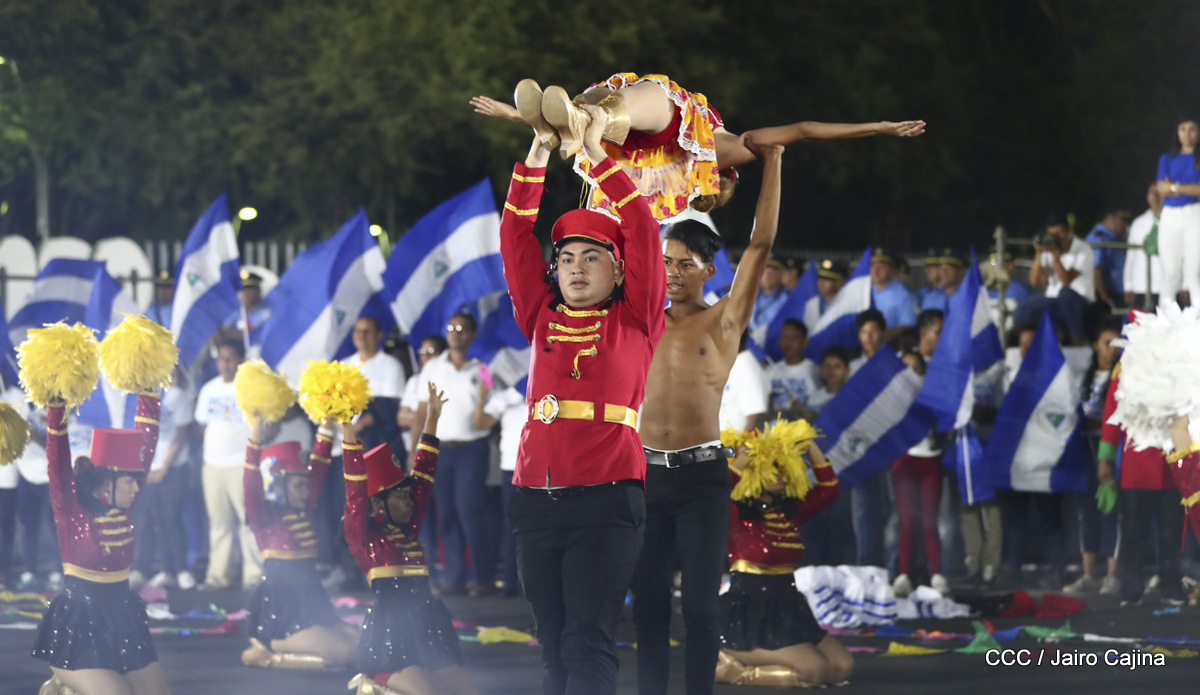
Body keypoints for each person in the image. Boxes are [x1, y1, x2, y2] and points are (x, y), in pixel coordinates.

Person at [500, 107, 664, 695]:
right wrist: (539, 150)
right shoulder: (540, 314)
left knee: (587, 641)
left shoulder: (636, 317)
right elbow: (514, 237)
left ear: (617, 272)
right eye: (566, 258)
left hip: (606, 499)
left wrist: (594, 153)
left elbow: (641, 229)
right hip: (534, 499)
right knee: (552, 648)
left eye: (591, 258)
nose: (574, 268)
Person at [634, 139, 782, 695]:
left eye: (684, 264)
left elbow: (762, 242)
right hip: (643, 476)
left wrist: (774, 161)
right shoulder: (639, 320)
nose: (672, 273)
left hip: (701, 479)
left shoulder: (724, 322)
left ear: (708, 269)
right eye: (665, 262)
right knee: (648, 606)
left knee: (699, 608)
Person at [472, 75, 923, 221]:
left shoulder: (725, 150)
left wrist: (878, 126)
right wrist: (519, 116)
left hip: (648, 128)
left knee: (634, 98)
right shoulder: (680, 173)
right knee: (610, 109)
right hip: (626, 142)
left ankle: (577, 118)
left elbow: (803, 129)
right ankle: (570, 122)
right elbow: (804, 132)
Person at [342, 383, 481, 695]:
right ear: (377, 503)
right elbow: (355, 492)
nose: (409, 500)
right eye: (400, 496)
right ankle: (375, 681)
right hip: (390, 644)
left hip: (428, 634)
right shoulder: (364, 537)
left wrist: (432, 419)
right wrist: (348, 431)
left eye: (407, 495)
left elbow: (424, 476)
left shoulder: (408, 529)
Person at [34, 390, 171, 695]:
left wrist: (149, 389)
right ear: (107, 483)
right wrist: (57, 406)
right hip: (77, 633)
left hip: (122, 624)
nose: (137, 487)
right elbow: (58, 461)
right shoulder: (70, 510)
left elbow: (147, 445)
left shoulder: (122, 506)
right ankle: (65, 682)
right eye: (130, 481)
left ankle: (69, 688)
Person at [715, 431, 851, 687]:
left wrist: (809, 445)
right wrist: (742, 459)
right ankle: (726, 668)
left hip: (788, 605)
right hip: (749, 611)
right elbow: (717, 489)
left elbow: (829, 490)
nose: (778, 473)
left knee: (840, 667)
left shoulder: (788, 511)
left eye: (782, 465)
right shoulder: (734, 512)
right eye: (769, 466)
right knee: (813, 671)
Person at [240, 415, 357, 670]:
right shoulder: (263, 517)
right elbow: (251, 478)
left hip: (312, 597)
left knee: (361, 644)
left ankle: (276, 648)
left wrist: (327, 421)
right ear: (278, 486)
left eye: (306, 486)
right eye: (299, 486)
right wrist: (257, 425)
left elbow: (320, 464)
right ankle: (269, 651)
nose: (306, 492)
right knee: (343, 653)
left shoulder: (303, 509)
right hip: (282, 609)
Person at [411, 313, 495, 597]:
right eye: (451, 328)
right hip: (440, 449)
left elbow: (491, 401)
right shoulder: (433, 367)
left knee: (469, 511)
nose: (456, 333)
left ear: (472, 334)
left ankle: (484, 577)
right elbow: (421, 409)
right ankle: (455, 577)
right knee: (445, 512)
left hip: (472, 448)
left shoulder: (483, 367)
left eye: (462, 328)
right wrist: (414, 448)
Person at [194, 339, 259, 589]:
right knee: (219, 523)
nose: (225, 363)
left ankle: (253, 575)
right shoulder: (209, 389)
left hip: (241, 464)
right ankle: (217, 576)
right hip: (212, 464)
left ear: (240, 361)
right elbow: (202, 424)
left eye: (231, 358)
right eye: (221, 358)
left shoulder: (250, 389)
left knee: (248, 521)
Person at [1062, 319, 1121, 594]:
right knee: (1086, 510)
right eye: (1107, 343)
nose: (1112, 349)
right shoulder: (1083, 378)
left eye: (1117, 344)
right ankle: (1088, 574)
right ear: (1095, 346)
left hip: (1109, 448)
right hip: (1084, 447)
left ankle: (1112, 574)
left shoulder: (1122, 378)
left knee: (1111, 509)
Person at [130, 366, 197, 591]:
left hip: (173, 469)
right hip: (150, 470)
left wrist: (164, 468)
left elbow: (181, 435)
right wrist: (145, 468)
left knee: (171, 518)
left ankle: (183, 570)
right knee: (155, 520)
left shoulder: (176, 396)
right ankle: (166, 570)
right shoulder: (144, 397)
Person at [889, 350, 949, 597]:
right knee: (906, 521)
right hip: (904, 461)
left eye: (915, 368)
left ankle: (937, 575)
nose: (910, 373)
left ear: (923, 372)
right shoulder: (891, 396)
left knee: (929, 521)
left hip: (930, 460)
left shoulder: (932, 394)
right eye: (905, 368)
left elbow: (944, 420)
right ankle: (903, 575)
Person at [475, 383, 527, 597]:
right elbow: (481, 423)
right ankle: (509, 583)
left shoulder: (550, 388)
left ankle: (539, 584)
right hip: (511, 469)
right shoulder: (507, 396)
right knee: (511, 526)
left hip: (544, 468)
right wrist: (482, 397)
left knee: (543, 526)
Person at [1026, 215, 1096, 343]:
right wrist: (1039, 253)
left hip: (1079, 300)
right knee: (1026, 307)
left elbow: (1066, 280)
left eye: (1058, 234)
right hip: (1054, 300)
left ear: (1069, 231)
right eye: (1051, 235)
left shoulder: (1083, 249)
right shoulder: (1047, 250)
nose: (1055, 238)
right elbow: (1033, 281)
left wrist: (1054, 255)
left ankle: (1078, 338)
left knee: (1065, 293)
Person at [1154, 118, 1200, 306]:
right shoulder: (1167, 158)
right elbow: (1160, 188)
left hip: (1195, 215)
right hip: (1170, 216)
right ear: (1177, 132)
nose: (1187, 133)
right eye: (1183, 129)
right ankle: (1165, 314)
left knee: (1194, 273)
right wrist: (1188, 188)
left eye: (1192, 129)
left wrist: (1174, 187)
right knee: (1170, 272)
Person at [766, 319, 820, 422]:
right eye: (784, 337)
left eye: (794, 337)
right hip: (775, 429)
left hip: (804, 429)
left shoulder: (815, 371)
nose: (788, 342)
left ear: (804, 342)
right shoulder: (771, 372)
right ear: (779, 342)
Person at [1123, 183, 1164, 308]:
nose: (1156, 197)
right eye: (1152, 193)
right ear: (1148, 197)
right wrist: (1128, 286)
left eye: (1159, 193)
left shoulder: (1176, 221)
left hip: (1168, 285)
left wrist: (1185, 285)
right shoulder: (1138, 223)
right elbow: (1131, 256)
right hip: (1141, 286)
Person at [219, 271, 273, 357]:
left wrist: (232, 335)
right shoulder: (238, 312)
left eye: (250, 289)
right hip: (239, 353)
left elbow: (254, 333)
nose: (246, 293)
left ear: (259, 291)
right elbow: (224, 330)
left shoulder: (267, 310)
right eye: (244, 289)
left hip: (261, 351)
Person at [1085, 210, 1132, 307]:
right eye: (1123, 222)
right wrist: (1106, 299)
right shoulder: (1098, 238)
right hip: (1109, 295)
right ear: (1113, 221)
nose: (1126, 225)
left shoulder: (1111, 237)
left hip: (1118, 294)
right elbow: (1095, 270)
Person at [869, 248, 916, 342]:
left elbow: (907, 325)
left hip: (891, 344)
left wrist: (880, 337)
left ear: (891, 269)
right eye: (873, 265)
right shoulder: (865, 290)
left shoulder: (902, 293)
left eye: (881, 266)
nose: (876, 270)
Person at [750, 258, 789, 336]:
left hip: (774, 337)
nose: (767, 276)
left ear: (780, 275)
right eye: (764, 272)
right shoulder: (752, 295)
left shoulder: (786, 298)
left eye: (771, 273)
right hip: (750, 337)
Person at [848, 309, 886, 374]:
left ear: (882, 333)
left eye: (873, 331)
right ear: (858, 335)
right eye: (863, 332)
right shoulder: (853, 367)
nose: (868, 337)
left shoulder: (895, 360)